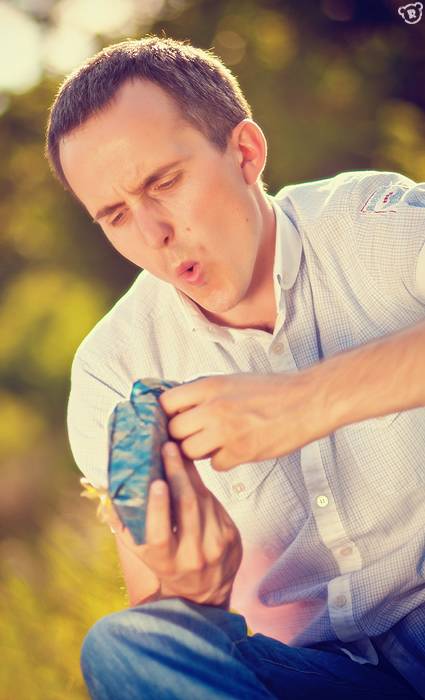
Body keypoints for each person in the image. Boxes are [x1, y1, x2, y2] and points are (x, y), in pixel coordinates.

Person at [46, 36, 425, 699]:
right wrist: (191, 592)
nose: (152, 234)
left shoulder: (374, 227)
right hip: (316, 674)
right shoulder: (112, 371)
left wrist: (305, 400)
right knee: (124, 645)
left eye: (164, 183)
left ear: (245, 153)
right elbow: (159, 612)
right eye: (115, 215)